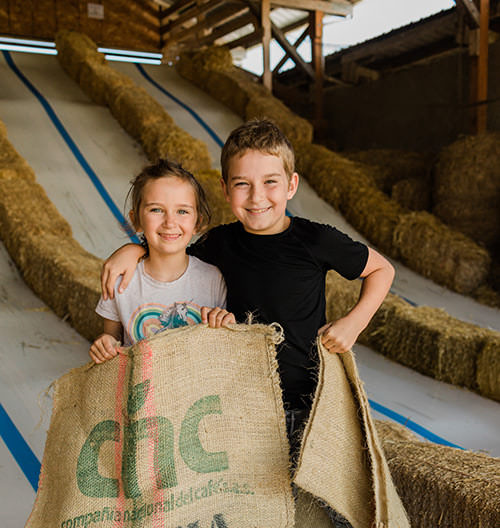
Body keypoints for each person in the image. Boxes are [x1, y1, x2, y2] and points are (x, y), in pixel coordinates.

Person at [100, 119, 394, 439]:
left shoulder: (316, 240)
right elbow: (171, 249)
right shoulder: (220, 243)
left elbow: (382, 270)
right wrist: (133, 249)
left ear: (291, 185)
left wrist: (354, 323)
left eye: (270, 182)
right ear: (226, 190)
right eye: (242, 184)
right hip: (240, 402)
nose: (257, 197)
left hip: (307, 400)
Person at [89, 158, 235, 364]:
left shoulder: (213, 279)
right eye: (156, 210)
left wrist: (228, 326)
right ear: (136, 220)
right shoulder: (120, 280)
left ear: (197, 222)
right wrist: (104, 344)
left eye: (182, 211)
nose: (170, 222)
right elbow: (112, 339)